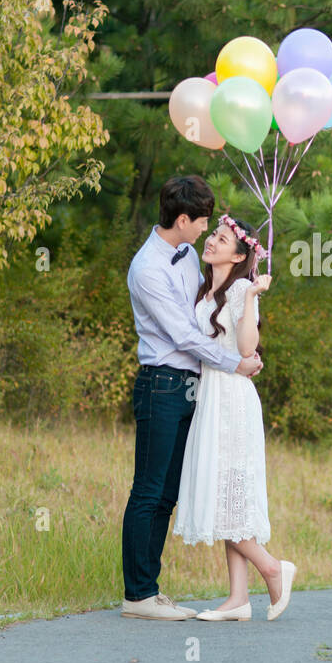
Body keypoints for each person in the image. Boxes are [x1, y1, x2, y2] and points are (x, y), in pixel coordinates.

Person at [121, 176, 263, 621]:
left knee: (166, 494)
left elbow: (215, 310)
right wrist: (232, 363)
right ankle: (138, 595)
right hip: (161, 384)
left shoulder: (186, 257)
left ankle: (150, 591)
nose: (205, 229)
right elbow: (181, 334)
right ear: (182, 220)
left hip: (191, 389)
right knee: (147, 490)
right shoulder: (148, 269)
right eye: (202, 222)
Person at [173, 213, 296, 622]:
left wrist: (252, 298)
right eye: (213, 235)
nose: (211, 241)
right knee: (226, 493)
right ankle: (238, 599)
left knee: (231, 493)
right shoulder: (206, 290)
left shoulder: (242, 288)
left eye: (221, 238)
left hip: (234, 400)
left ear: (240, 254)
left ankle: (273, 568)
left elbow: (246, 349)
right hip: (210, 395)